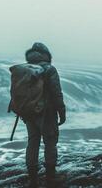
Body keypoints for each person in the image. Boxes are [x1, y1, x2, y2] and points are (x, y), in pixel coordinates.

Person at [24, 42, 66, 188]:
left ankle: (33, 179)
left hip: (28, 112)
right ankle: (51, 176)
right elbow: (56, 92)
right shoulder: (49, 69)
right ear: (46, 54)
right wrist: (62, 111)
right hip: (47, 113)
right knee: (50, 142)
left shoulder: (25, 68)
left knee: (32, 143)